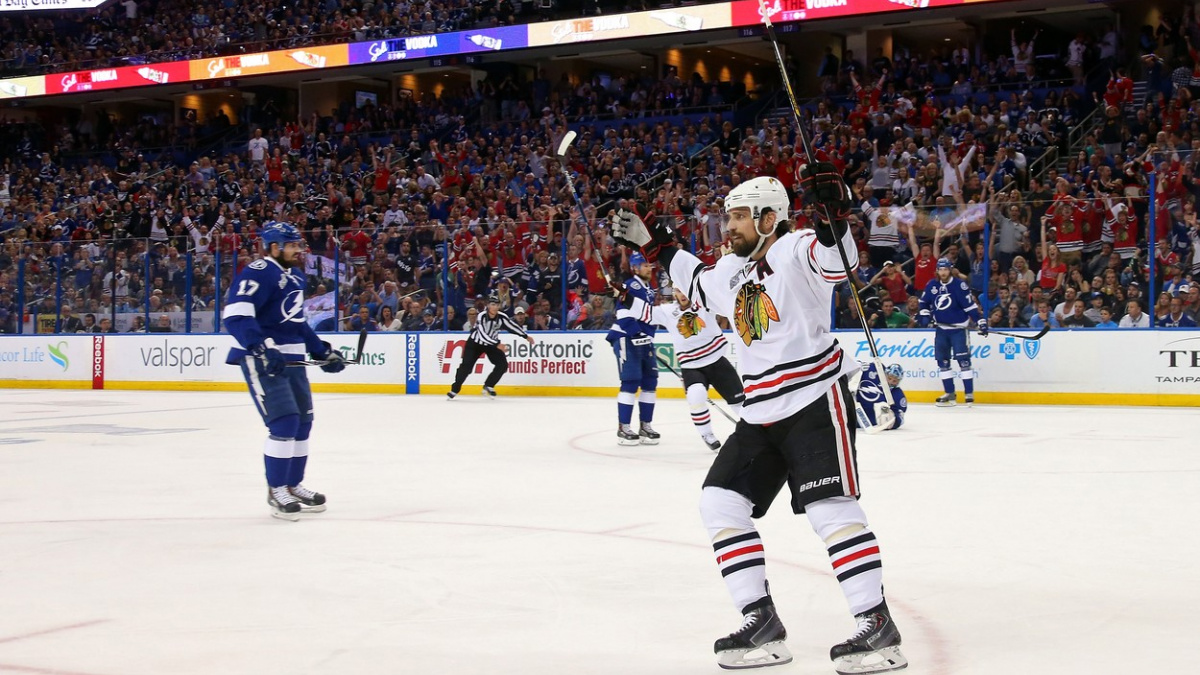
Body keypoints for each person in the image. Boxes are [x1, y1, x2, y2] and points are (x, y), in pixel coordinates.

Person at [612, 169, 907, 674]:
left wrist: (834, 217)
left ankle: (877, 626)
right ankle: (761, 621)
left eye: (738, 217)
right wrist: (655, 244)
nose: (728, 227)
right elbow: (695, 279)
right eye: (727, 217)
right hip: (759, 411)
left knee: (829, 510)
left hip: (814, 398)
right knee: (719, 503)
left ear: (770, 219)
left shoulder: (797, 248)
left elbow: (838, 262)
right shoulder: (730, 268)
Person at [221, 222, 347, 521]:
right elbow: (236, 315)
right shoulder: (259, 271)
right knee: (284, 423)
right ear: (274, 247)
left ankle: (292, 484)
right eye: (291, 245)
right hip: (263, 360)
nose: (297, 250)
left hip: (292, 359)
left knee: (302, 424)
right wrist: (262, 347)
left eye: (297, 245)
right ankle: (276, 490)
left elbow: (297, 322)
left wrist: (321, 351)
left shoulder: (296, 277)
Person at [652, 286, 744, 451]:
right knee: (696, 395)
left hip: (717, 361)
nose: (682, 294)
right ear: (674, 293)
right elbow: (642, 312)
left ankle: (757, 430)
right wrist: (624, 297)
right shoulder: (667, 311)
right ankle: (707, 434)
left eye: (683, 289)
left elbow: (724, 297)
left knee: (740, 402)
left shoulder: (704, 302)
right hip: (691, 366)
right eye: (677, 291)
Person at [606, 251, 661, 445]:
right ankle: (623, 428)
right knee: (630, 382)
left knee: (650, 381)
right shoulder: (631, 286)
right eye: (645, 265)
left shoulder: (649, 288)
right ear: (635, 268)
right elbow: (622, 312)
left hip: (643, 339)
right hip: (626, 337)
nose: (649, 268)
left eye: (650, 265)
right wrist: (636, 333)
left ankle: (645, 426)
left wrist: (647, 337)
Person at [918, 259, 985, 407]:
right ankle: (950, 393)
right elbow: (923, 302)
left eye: (945, 269)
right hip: (941, 329)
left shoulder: (959, 285)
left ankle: (968, 393)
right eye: (940, 269)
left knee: (963, 361)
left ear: (950, 270)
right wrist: (925, 314)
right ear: (937, 270)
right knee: (943, 362)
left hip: (958, 329)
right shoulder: (932, 285)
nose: (943, 272)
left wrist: (980, 321)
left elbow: (969, 306)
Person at [447, 292, 534, 399]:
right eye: (492, 304)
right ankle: (455, 389)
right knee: (466, 367)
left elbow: (512, 326)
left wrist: (525, 336)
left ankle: (489, 385)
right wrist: (497, 344)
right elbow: (482, 334)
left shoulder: (502, 317)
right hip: (475, 344)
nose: (495, 307)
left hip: (491, 344)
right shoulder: (482, 316)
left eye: (497, 305)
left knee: (502, 365)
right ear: (488, 305)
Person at [854, 363, 907, 431]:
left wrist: (894, 422)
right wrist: (856, 368)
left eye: (895, 381)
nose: (890, 382)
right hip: (853, 418)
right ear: (885, 374)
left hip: (872, 423)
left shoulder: (897, 394)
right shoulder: (873, 373)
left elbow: (900, 415)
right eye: (889, 378)